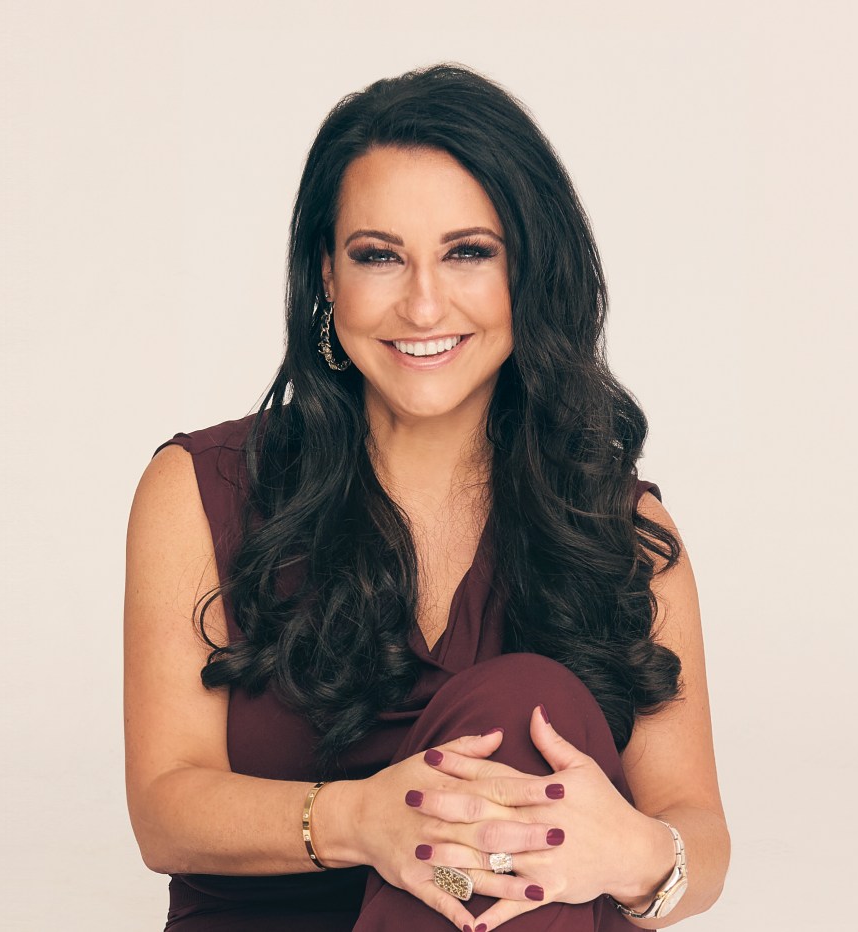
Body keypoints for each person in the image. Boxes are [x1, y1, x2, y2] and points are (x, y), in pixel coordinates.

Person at [124, 63, 730, 932]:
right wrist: (361, 821)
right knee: (523, 710)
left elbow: (696, 827)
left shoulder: (618, 528)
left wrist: (634, 854)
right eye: (379, 256)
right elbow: (164, 812)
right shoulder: (201, 489)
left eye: (467, 253)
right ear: (326, 277)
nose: (422, 303)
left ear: (528, 273)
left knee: (529, 708)